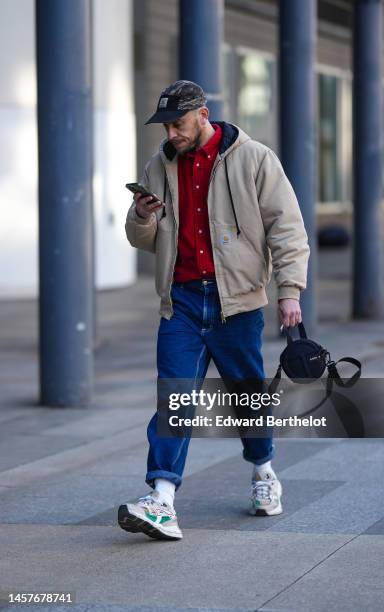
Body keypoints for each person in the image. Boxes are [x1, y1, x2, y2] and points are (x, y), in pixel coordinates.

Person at [118, 80, 310, 541]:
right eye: (165, 126)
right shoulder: (159, 164)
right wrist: (143, 215)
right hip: (180, 301)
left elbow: (286, 227)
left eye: (178, 124)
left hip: (236, 303)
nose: (171, 135)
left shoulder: (255, 158)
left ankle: (264, 472)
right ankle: (161, 498)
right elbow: (141, 239)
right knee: (175, 397)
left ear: (202, 115)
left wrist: (290, 290)